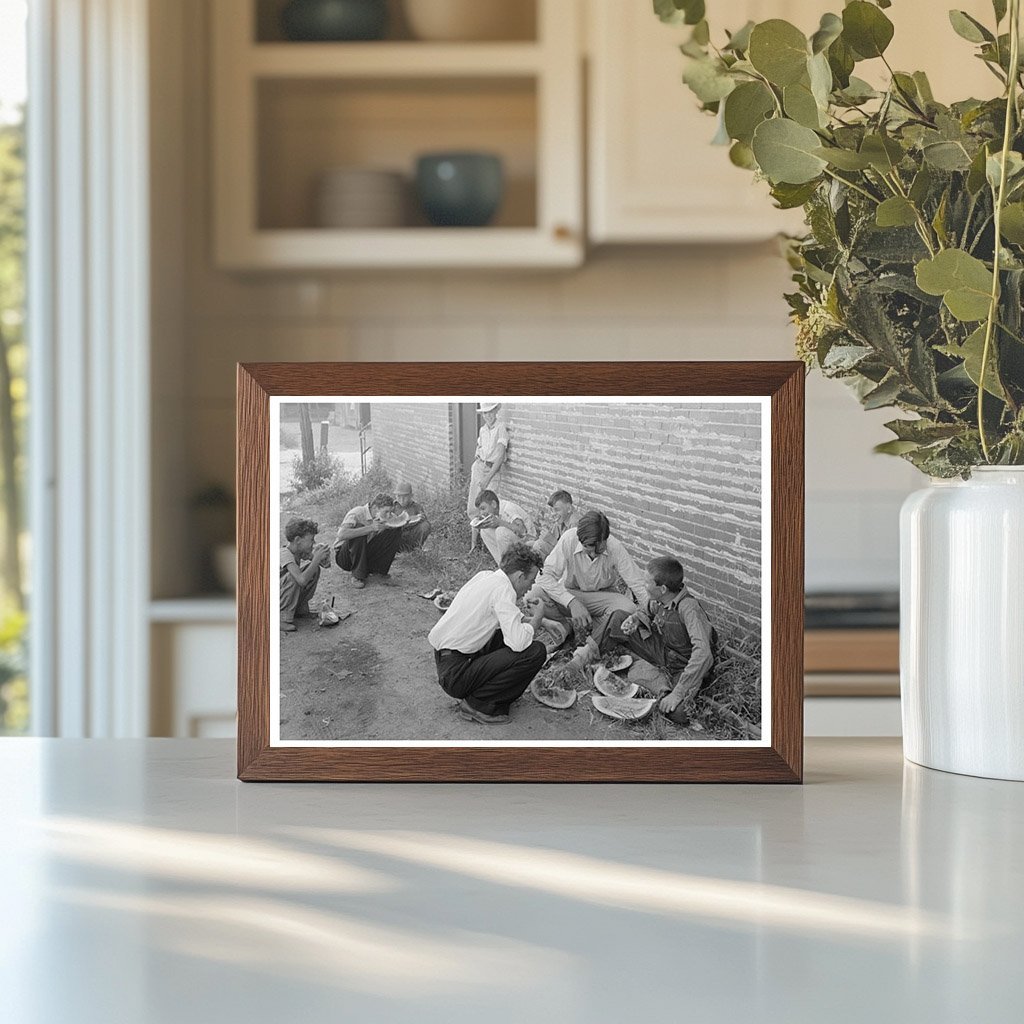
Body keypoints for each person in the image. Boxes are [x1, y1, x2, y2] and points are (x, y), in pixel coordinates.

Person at [428, 543, 547, 725]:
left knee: (502, 636)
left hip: (447, 662)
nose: (530, 588)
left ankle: (481, 694)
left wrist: (542, 621)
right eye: (530, 581)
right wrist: (538, 619)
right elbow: (518, 643)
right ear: (520, 576)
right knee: (535, 651)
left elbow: (506, 617)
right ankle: (479, 703)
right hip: (457, 675)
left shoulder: (486, 576)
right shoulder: (504, 590)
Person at [606, 556, 715, 724]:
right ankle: (593, 658)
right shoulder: (658, 599)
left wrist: (678, 693)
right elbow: (646, 611)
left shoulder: (689, 608)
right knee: (618, 618)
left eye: (647, 582)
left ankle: (662, 687)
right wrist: (635, 619)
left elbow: (704, 654)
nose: (644, 585)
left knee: (679, 713)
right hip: (663, 652)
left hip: (683, 665)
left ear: (662, 588)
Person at [531, 509, 647, 648]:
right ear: (580, 540)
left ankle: (589, 632)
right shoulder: (569, 539)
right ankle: (565, 630)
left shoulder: (614, 547)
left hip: (602, 598)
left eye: (599, 548)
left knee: (629, 608)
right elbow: (544, 577)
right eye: (588, 547)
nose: (593, 553)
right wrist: (572, 603)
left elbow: (638, 584)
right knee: (534, 594)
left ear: (606, 538)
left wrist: (649, 615)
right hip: (572, 593)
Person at [332, 492, 403, 590]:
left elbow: (398, 522)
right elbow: (341, 534)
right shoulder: (357, 513)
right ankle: (357, 576)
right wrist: (370, 528)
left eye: (390, 512)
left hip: (364, 554)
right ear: (375, 508)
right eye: (386, 511)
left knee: (395, 530)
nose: (389, 515)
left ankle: (379, 572)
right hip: (345, 557)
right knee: (360, 529)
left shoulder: (384, 516)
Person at [467, 401, 508, 551]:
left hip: (492, 470)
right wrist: (477, 467)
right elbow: (480, 448)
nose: (488, 415)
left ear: (496, 411)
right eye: (485, 413)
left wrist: (488, 477)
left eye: (490, 412)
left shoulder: (500, 428)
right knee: (474, 506)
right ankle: (473, 546)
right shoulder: (483, 429)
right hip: (479, 466)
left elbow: (500, 456)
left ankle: (491, 546)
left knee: (489, 506)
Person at [280, 518, 331, 632]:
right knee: (294, 577)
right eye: (311, 540)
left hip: (281, 594)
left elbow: (326, 566)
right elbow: (301, 580)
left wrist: (323, 555)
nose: (313, 543)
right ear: (298, 540)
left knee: (314, 570)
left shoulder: (299, 551)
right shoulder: (284, 554)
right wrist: (316, 559)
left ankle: (300, 610)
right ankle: (281, 618)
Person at [474, 489, 533, 566]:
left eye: (483, 508)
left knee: (500, 531)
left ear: (493, 504)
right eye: (480, 510)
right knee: (485, 531)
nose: (481, 513)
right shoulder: (496, 511)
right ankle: (503, 566)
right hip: (516, 541)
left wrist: (500, 523)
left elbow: (522, 531)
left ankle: (513, 567)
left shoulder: (507, 509)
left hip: (529, 543)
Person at [532, 489, 580, 559]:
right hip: (561, 553)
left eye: (557, 510)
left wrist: (551, 539)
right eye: (552, 510)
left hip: (570, 560)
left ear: (569, 509)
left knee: (538, 545)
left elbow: (570, 552)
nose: (553, 514)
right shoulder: (561, 519)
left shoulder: (574, 524)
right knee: (535, 544)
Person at [395, 481, 432, 553]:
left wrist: (414, 519)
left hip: (412, 536)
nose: (401, 500)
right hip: (397, 538)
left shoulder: (417, 507)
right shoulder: (392, 507)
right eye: (398, 496)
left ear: (411, 496)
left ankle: (415, 549)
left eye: (405, 497)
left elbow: (423, 519)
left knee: (425, 525)